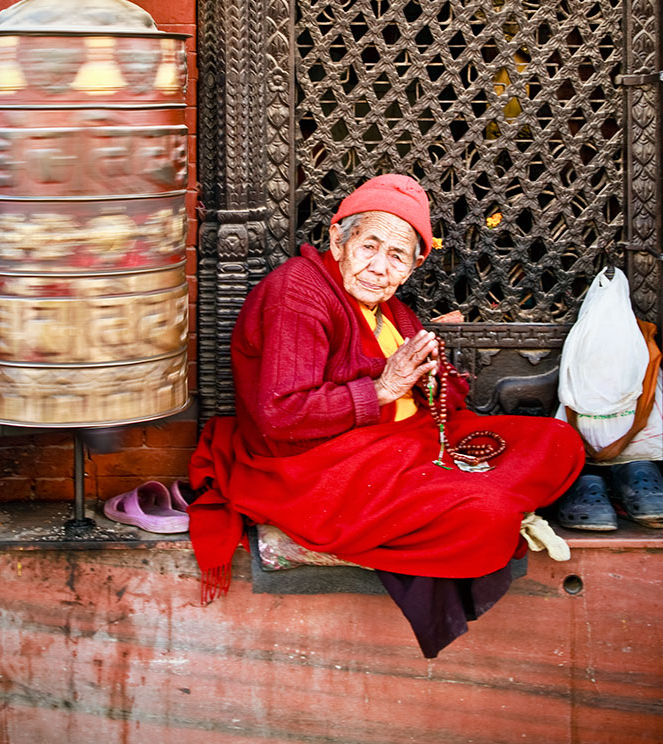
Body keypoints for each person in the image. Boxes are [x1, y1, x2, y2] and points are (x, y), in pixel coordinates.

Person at [188, 174, 584, 656]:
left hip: (403, 443)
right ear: (338, 240)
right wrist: (382, 389)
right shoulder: (298, 291)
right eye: (368, 245)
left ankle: (461, 497)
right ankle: (472, 504)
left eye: (397, 256)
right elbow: (280, 415)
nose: (379, 267)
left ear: (413, 266)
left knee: (557, 440)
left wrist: (435, 378)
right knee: (488, 517)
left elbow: (443, 398)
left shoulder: (390, 309)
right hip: (317, 464)